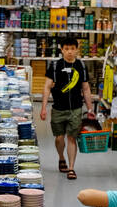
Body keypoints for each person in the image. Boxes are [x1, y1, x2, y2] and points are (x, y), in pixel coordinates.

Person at [40, 35, 94, 181]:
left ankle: (71, 168)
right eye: (66, 49)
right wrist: (43, 107)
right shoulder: (55, 66)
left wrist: (90, 109)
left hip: (76, 109)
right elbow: (46, 88)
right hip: (58, 108)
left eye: (72, 49)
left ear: (77, 50)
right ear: (61, 50)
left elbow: (86, 89)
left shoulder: (81, 66)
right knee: (59, 138)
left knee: (71, 138)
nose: (69, 52)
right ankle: (61, 156)